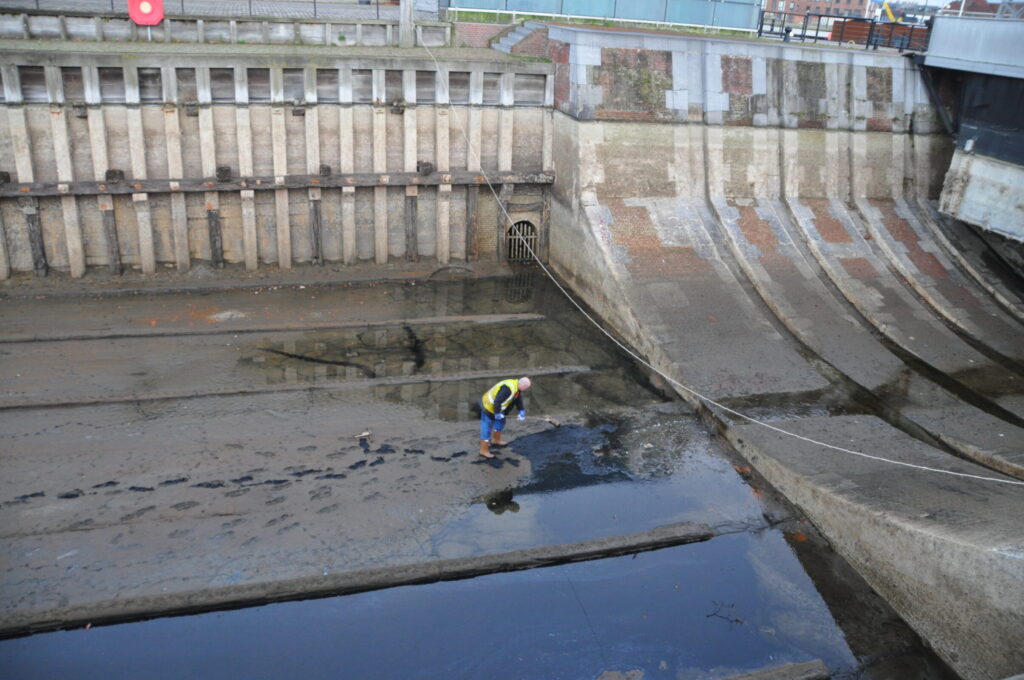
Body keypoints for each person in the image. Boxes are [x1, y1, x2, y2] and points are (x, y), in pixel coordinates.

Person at [479, 377, 531, 458]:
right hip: (488, 406)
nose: (525, 390)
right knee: (487, 428)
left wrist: (521, 410)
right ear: (522, 384)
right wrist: (497, 414)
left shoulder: (516, 387)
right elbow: (497, 401)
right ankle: (483, 450)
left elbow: (517, 398)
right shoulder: (508, 389)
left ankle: (496, 440)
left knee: (501, 422)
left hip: (497, 408)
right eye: (525, 388)